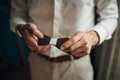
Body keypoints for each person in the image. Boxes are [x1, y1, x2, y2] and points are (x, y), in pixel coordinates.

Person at [10, 0, 118, 80]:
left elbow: (110, 16)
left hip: (78, 67)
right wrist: (21, 27)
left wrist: (93, 36)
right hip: (38, 64)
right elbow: (17, 13)